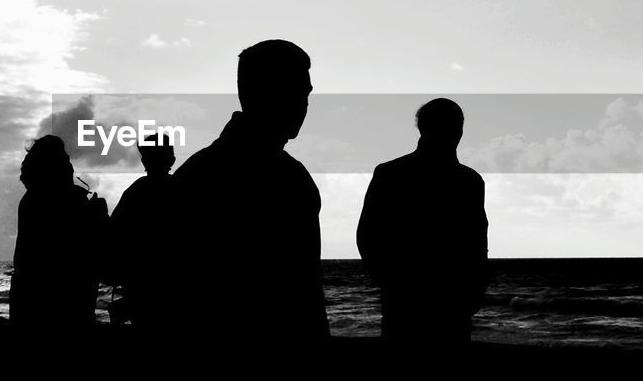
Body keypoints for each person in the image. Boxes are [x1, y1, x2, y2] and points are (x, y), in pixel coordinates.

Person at [150, 39, 329, 343]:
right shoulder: (205, 177)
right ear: (262, 91)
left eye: (307, 93)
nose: (304, 103)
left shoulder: (290, 174)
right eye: (297, 90)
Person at [356, 98, 488, 344]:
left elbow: (477, 242)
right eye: (452, 125)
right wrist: (392, 283)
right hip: (417, 301)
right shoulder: (467, 181)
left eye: (456, 125)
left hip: (442, 303)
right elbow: (368, 236)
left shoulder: (469, 181)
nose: (456, 132)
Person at [10, 134, 109, 337]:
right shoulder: (70, 200)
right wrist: (99, 215)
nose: (70, 164)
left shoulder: (30, 199)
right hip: (68, 301)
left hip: (29, 299)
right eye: (65, 159)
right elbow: (86, 245)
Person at [106, 133, 177, 326]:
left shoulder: (134, 192)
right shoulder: (183, 189)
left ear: (144, 160)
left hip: (139, 284)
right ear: (171, 159)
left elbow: (112, 233)